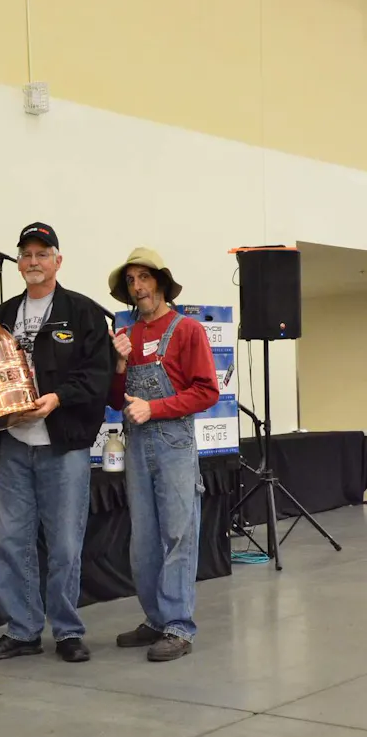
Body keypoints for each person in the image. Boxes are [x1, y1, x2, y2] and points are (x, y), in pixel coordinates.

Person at [0, 222, 113, 664]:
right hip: (12, 445)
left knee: (64, 544)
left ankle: (67, 631)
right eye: (26, 254)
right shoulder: (0, 316)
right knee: (11, 542)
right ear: (18, 262)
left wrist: (57, 399)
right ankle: (23, 630)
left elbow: (97, 376)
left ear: (57, 261)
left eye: (42, 254)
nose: (33, 261)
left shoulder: (83, 312)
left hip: (63, 445)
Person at [107, 247, 219, 662]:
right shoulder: (127, 335)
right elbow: (114, 399)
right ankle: (156, 619)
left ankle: (178, 626)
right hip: (137, 445)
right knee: (144, 541)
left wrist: (154, 408)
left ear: (161, 282)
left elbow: (207, 391)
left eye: (144, 278)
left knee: (178, 534)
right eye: (131, 281)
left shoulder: (187, 330)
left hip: (173, 443)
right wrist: (119, 366)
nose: (138, 287)